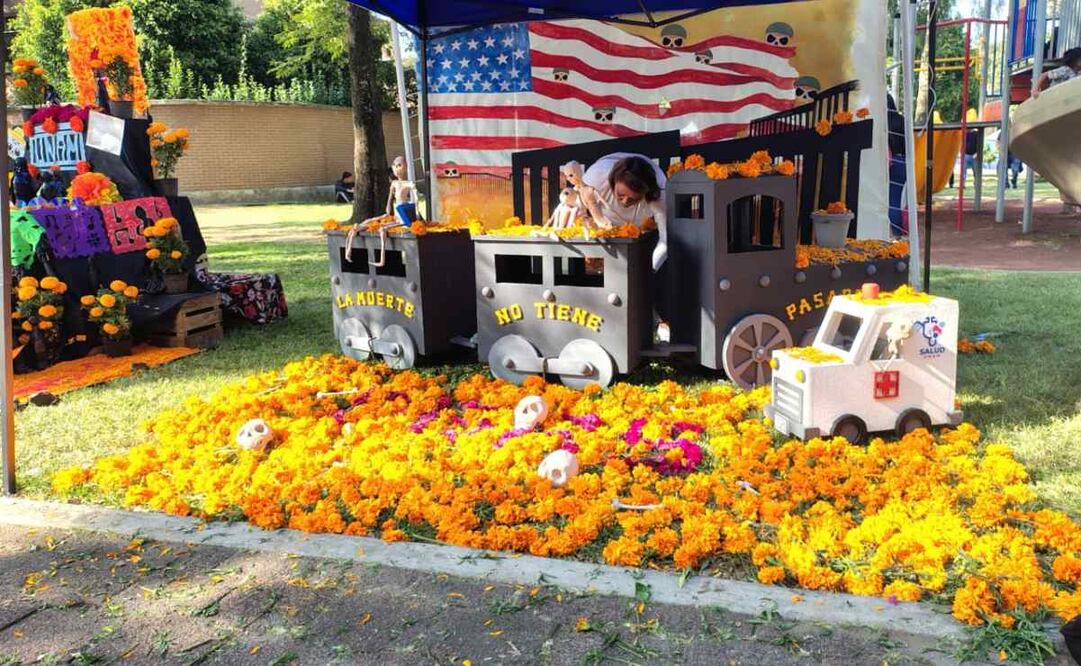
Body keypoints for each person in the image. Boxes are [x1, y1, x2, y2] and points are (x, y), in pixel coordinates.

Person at [577, 153, 669, 270]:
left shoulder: (659, 195)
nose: (625, 202)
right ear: (614, 181)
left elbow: (664, 239)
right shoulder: (598, 173)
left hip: (639, 226)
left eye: (633, 199)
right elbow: (583, 190)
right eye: (621, 195)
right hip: (606, 217)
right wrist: (593, 214)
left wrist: (654, 265)